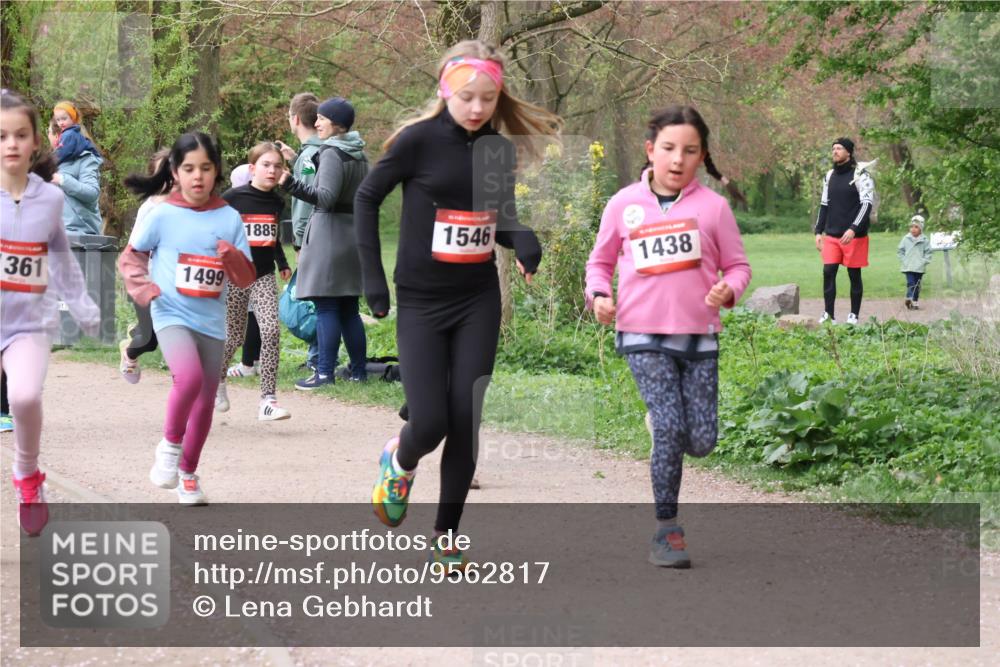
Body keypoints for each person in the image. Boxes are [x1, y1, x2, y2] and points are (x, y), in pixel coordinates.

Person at [355, 40, 561, 570]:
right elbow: (366, 198)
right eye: (468, 96)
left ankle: (445, 533)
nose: (477, 108)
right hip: (422, 300)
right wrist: (372, 277)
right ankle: (399, 460)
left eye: (488, 98)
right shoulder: (416, 142)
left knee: (466, 416)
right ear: (446, 90)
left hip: (476, 298)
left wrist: (525, 240)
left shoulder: (495, 149)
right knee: (429, 423)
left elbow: (501, 213)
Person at [585, 105, 751, 568]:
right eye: (669, 149)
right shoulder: (623, 204)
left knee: (700, 441)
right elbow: (598, 263)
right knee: (673, 426)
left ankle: (664, 426)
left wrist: (729, 289)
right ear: (650, 150)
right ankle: (666, 531)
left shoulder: (713, 208)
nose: (678, 159)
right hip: (641, 333)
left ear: (702, 157)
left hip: (698, 337)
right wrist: (598, 295)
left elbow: (739, 266)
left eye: (690, 151)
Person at [119, 132, 255, 505]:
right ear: (175, 173)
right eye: (189, 169)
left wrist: (232, 259)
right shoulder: (162, 214)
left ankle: (188, 473)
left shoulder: (229, 218)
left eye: (206, 168)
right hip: (170, 313)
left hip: (211, 321)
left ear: (217, 172)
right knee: (189, 378)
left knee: (206, 400)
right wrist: (144, 290)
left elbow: (245, 278)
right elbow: (131, 258)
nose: (198, 177)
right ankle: (169, 447)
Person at [1, 90, 100, 534]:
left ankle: (27, 473)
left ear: (37, 140)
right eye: (2, 136)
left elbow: (60, 257)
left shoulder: (51, 200)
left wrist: (82, 306)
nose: (11, 144)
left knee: (23, 397)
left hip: (29, 322)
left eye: (20, 135)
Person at [280, 96, 369, 388]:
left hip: (328, 235)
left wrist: (290, 184)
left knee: (327, 307)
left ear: (335, 122)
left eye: (321, 118)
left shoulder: (331, 151)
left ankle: (324, 373)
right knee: (349, 309)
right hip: (351, 233)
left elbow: (327, 197)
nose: (316, 122)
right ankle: (358, 372)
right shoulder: (358, 153)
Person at [216, 142, 293, 420]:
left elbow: (270, 237)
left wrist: (282, 262)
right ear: (252, 169)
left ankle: (267, 401)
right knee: (234, 336)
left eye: (277, 166)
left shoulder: (277, 201)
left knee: (271, 330)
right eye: (266, 165)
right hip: (234, 277)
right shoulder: (232, 198)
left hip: (262, 276)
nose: (272, 171)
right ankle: (218, 379)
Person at [277, 92, 323, 372]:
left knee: (313, 301)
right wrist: (296, 158)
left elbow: (306, 199)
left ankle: (318, 359)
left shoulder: (309, 157)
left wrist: (299, 241)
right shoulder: (320, 152)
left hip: (313, 239)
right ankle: (318, 356)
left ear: (295, 119)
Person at [118, 148, 170, 383]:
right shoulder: (149, 208)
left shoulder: (189, 206)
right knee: (149, 341)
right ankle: (130, 349)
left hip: (175, 282)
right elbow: (134, 250)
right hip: (146, 281)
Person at [813, 137, 875, 325]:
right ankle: (828, 314)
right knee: (828, 271)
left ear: (848, 152)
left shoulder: (861, 175)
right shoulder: (829, 175)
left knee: (854, 275)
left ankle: (853, 315)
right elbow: (824, 205)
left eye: (839, 148)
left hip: (854, 237)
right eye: (833, 148)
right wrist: (818, 231)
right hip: (832, 235)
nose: (835, 151)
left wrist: (853, 229)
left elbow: (866, 205)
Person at [49, 102, 103, 235]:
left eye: (49, 133)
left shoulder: (83, 156)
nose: (61, 123)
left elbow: (91, 193)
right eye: (58, 120)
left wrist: (61, 179)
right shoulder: (58, 162)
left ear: (57, 137)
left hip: (79, 233)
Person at [897, 214, 932, 310]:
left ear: (921, 229)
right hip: (908, 267)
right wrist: (904, 260)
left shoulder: (925, 240)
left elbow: (928, 252)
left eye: (916, 227)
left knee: (917, 285)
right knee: (911, 283)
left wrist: (924, 261)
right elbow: (900, 251)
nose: (913, 229)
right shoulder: (906, 239)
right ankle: (908, 298)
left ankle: (915, 301)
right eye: (912, 227)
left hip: (919, 268)